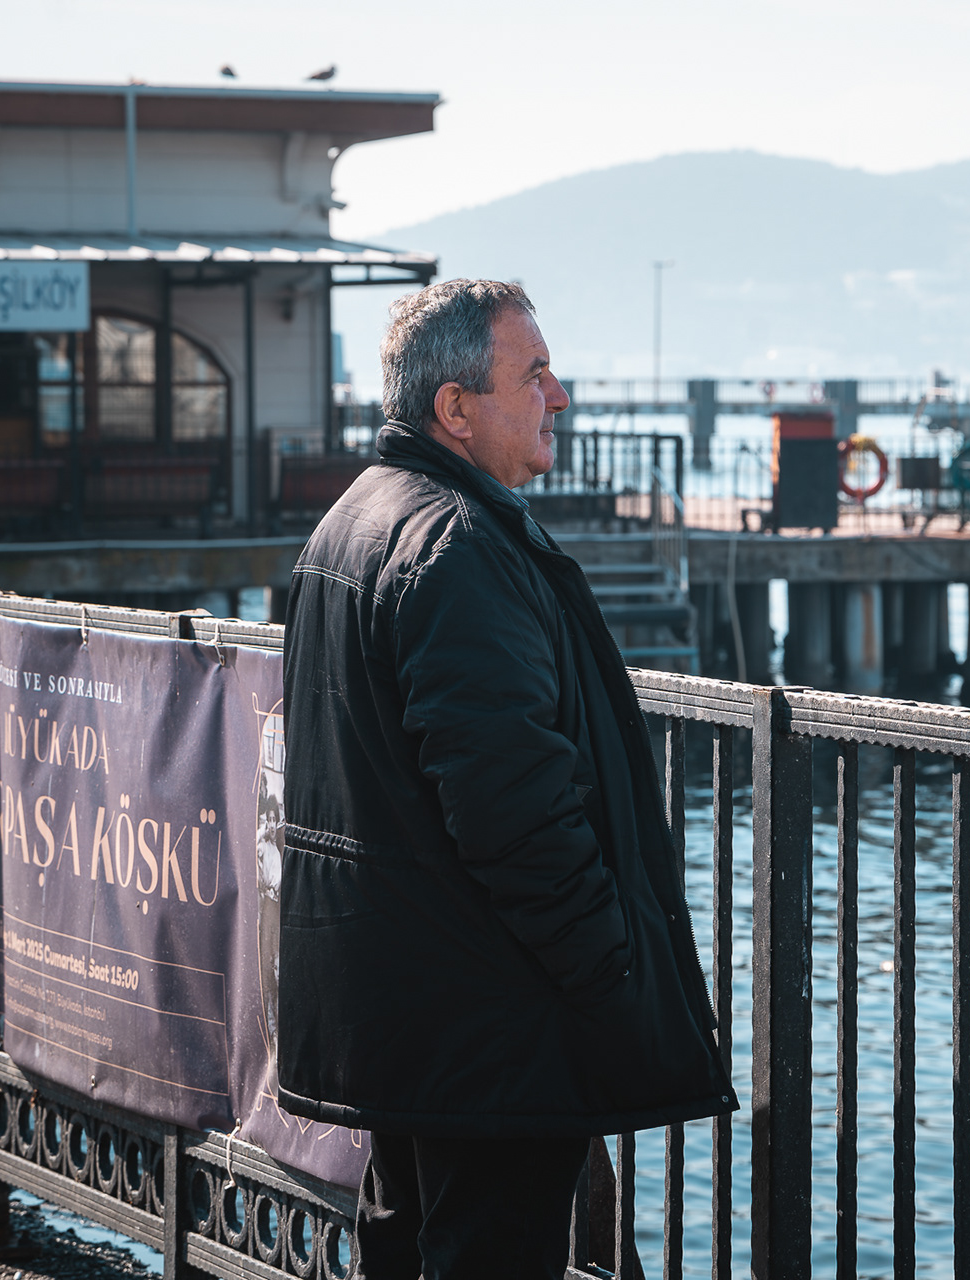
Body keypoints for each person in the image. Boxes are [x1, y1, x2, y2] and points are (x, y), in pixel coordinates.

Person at [276, 280, 735, 1278]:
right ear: (455, 408)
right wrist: (610, 970)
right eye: (534, 374)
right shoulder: (456, 548)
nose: (558, 396)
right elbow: (512, 810)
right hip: (489, 1022)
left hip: (401, 1000)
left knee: (403, 1243)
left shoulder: (353, 522)